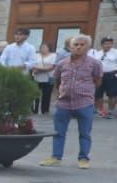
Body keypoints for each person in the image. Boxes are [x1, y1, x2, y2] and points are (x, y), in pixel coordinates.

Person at [40, 34, 102, 169]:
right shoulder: (62, 64)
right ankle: (56, 157)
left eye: (82, 44)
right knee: (58, 132)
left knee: (85, 133)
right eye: (76, 45)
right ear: (70, 47)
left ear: (88, 47)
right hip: (64, 103)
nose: (78, 47)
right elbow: (57, 81)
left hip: (84, 103)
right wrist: (62, 92)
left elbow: (97, 81)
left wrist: (86, 91)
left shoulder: (94, 63)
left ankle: (84, 158)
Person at [30, 39, 58, 115]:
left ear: (49, 48)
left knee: (46, 95)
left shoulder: (53, 56)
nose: (43, 49)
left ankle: (44, 110)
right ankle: (34, 110)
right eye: (42, 47)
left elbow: (51, 67)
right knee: (35, 95)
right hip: (37, 78)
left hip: (48, 78)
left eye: (45, 47)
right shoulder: (36, 55)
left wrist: (38, 69)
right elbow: (32, 65)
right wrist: (41, 68)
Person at [97, 36, 117, 119]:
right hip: (100, 75)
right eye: (106, 43)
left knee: (112, 94)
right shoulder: (98, 53)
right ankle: (99, 111)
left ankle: (111, 111)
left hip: (111, 75)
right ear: (102, 44)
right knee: (98, 94)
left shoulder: (116, 52)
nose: (108, 45)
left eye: (110, 43)